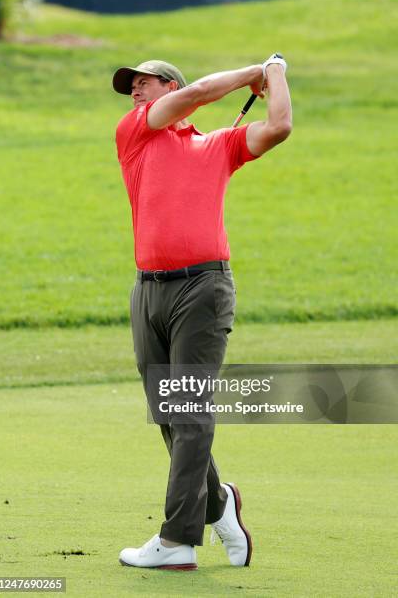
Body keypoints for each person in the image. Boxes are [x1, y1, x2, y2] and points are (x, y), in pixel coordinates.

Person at [112, 55, 292, 570]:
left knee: (189, 412)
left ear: (170, 85)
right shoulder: (135, 134)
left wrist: (274, 75)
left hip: (204, 290)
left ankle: (176, 542)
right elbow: (197, 97)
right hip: (147, 292)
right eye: (132, 87)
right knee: (168, 415)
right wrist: (252, 71)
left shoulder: (219, 145)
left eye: (144, 83)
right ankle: (219, 504)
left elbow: (278, 125)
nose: (135, 93)